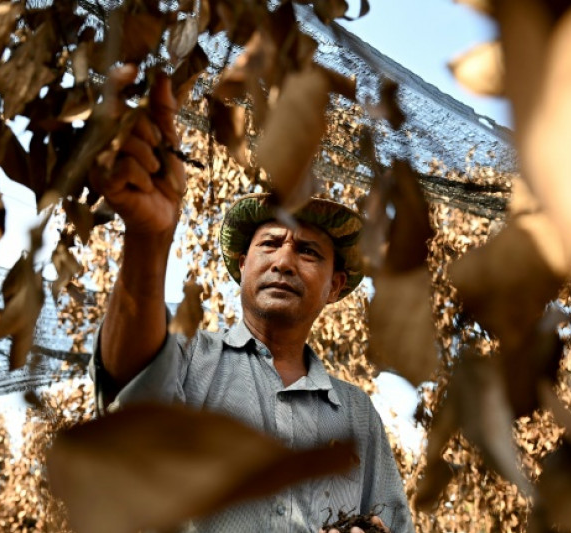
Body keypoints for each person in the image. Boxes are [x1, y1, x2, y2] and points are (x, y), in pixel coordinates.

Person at [90, 66, 413, 533]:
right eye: (269, 244)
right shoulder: (185, 360)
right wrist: (148, 237)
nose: (284, 261)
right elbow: (128, 390)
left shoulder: (358, 416)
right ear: (242, 265)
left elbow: (394, 524)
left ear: (335, 286)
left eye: (306, 251)